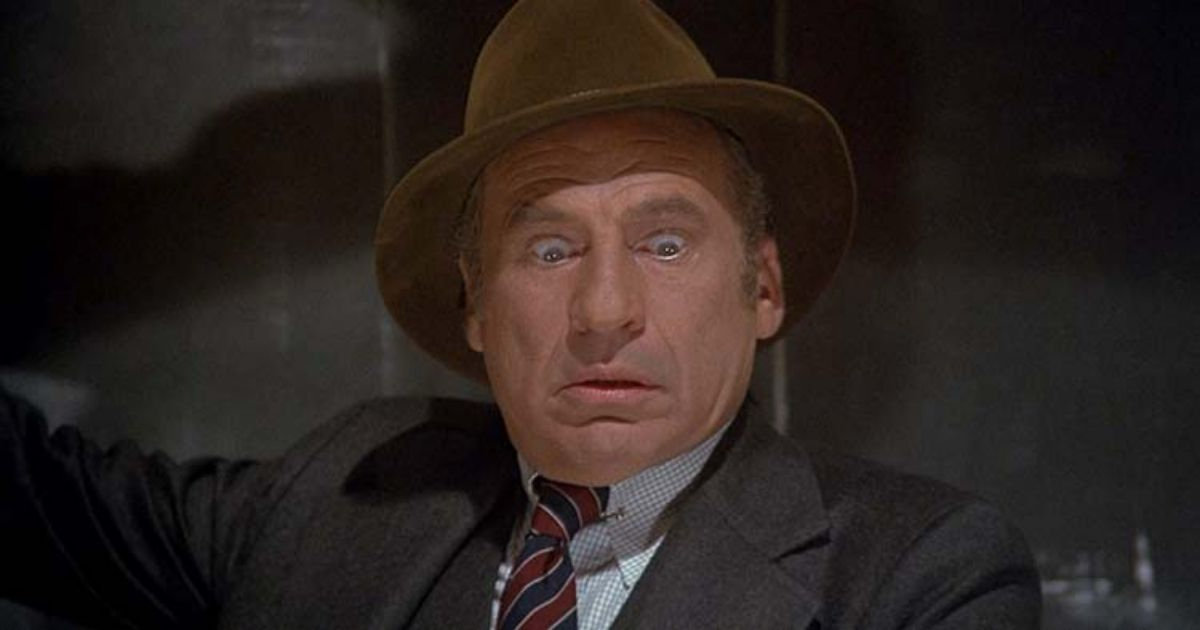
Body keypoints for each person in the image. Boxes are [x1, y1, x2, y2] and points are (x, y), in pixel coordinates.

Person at [1, 0, 1041, 628]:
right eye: (549, 249)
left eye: (664, 242)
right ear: (475, 307)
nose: (603, 309)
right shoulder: (343, 490)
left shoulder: (918, 577)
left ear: (762, 287)